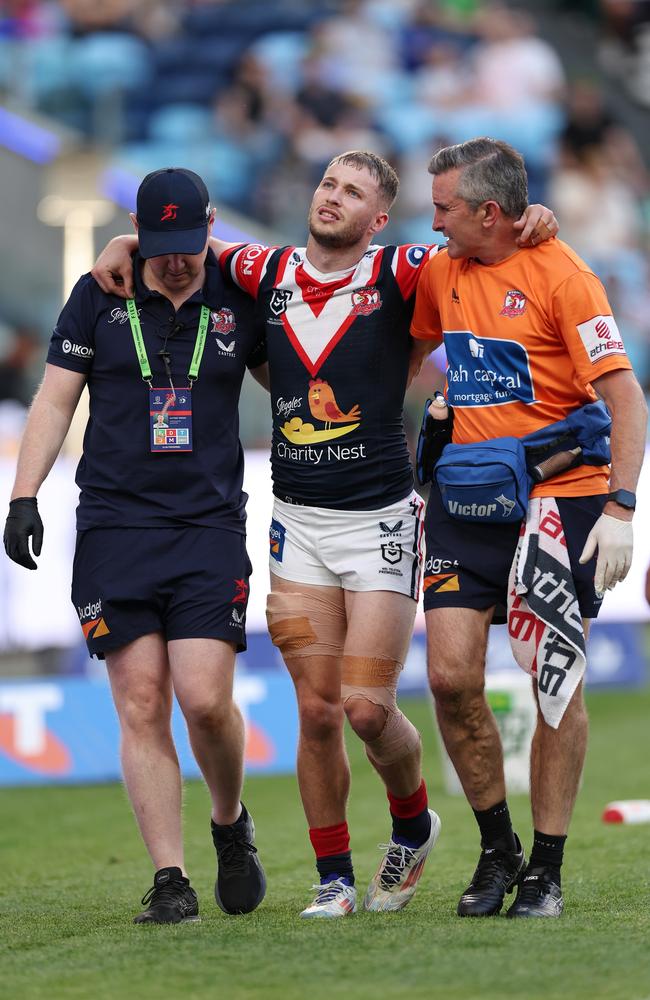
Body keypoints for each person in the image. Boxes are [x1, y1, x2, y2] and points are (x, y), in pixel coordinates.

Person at [91, 150, 556, 918]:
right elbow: (183, 237)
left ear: (379, 219)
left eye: (355, 191)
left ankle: (412, 827)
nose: (333, 196)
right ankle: (334, 876)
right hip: (297, 525)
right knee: (316, 712)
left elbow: (482, 244)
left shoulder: (403, 270)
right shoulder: (260, 268)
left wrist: (538, 221)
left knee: (367, 710)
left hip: (379, 522)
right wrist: (126, 244)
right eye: (328, 183)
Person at [3, 167, 269, 925]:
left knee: (206, 700)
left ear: (212, 227)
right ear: (138, 228)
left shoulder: (240, 294)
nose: (177, 261)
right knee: (142, 700)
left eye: (191, 245)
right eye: (162, 245)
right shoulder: (99, 294)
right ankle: (171, 877)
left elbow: (285, 385)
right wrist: (23, 495)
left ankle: (229, 823)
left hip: (209, 525)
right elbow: (55, 398)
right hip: (116, 526)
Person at [410, 137, 647, 918]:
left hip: (562, 504)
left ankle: (544, 870)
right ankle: (496, 847)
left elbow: (627, 400)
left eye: (444, 206)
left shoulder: (565, 276)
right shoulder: (441, 267)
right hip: (466, 498)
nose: (432, 219)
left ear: (488, 211)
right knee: (449, 680)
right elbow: (407, 352)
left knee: (554, 690)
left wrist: (620, 507)